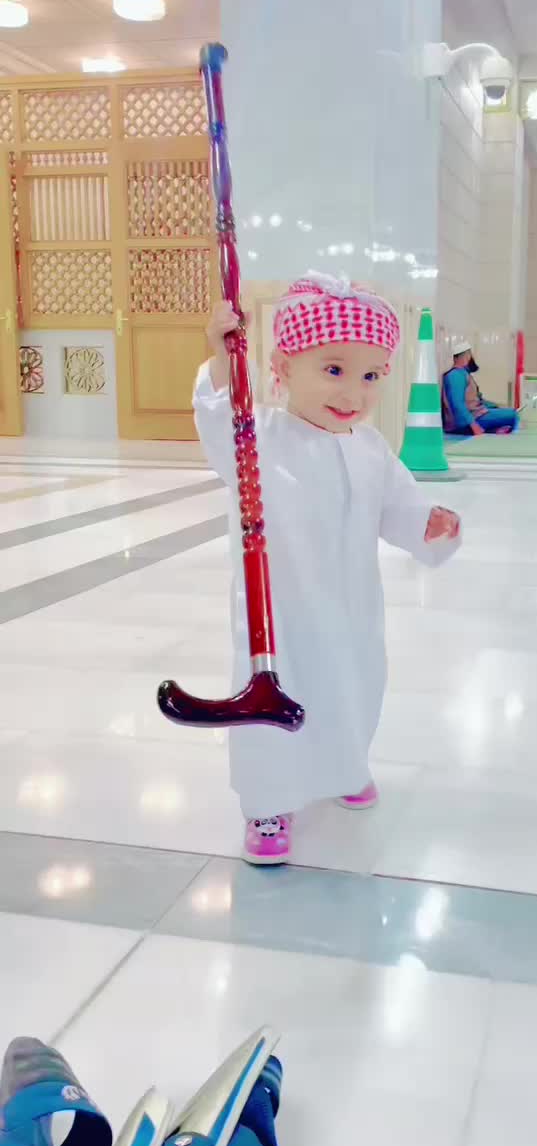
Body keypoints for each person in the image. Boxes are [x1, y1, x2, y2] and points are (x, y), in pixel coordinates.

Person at [194, 272, 462, 866]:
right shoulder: (259, 436)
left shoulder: (369, 447)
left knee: (354, 685)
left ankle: (343, 767)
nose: (353, 393)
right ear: (284, 368)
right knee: (274, 699)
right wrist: (220, 354)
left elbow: (399, 508)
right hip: (280, 614)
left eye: (371, 376)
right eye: (334, 369)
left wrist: (429, 524)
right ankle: (267, 802)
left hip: (352, 606)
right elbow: (216, 420)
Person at [442, 342, 518, 435]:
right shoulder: (455, 375)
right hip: (465, 422)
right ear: (467, 355)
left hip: (475, 415)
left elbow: (476, 400)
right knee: (513, 415)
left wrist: (496, 406)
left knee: (511, 412)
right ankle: (489, 429)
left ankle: (492, 429)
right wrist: (474, 427)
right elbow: (457, 404)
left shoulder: (463, 373)